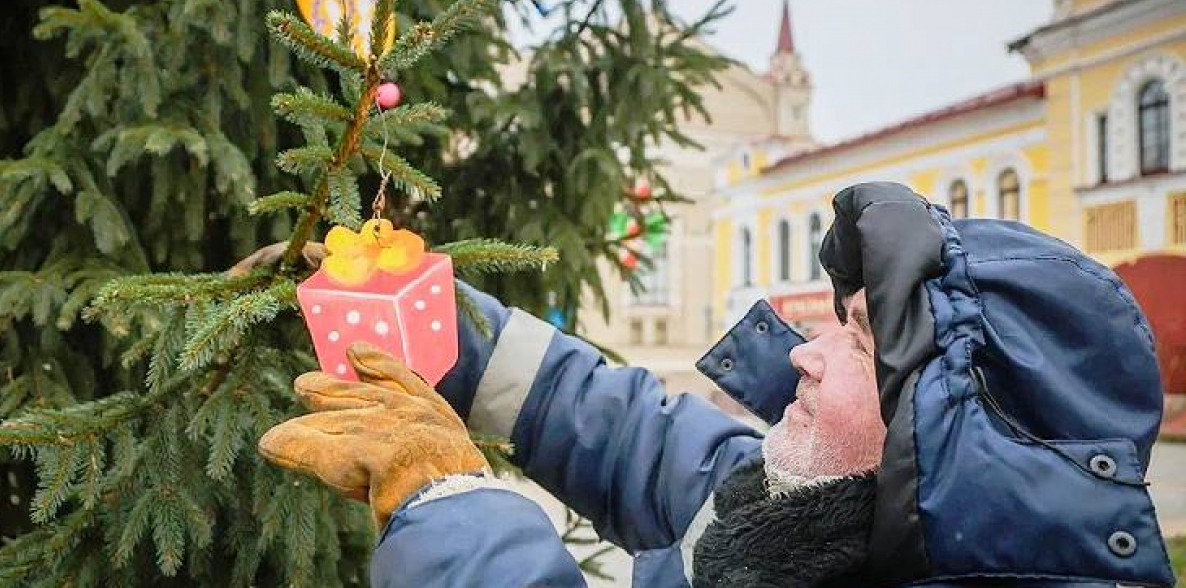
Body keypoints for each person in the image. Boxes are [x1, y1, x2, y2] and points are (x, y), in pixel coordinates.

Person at [258, 182, 1177, 588]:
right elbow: (632, 435)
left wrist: (445, 499)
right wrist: (449, 329)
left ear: (952, 435)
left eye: (858, 343)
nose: (808, 355)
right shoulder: (802, 509)